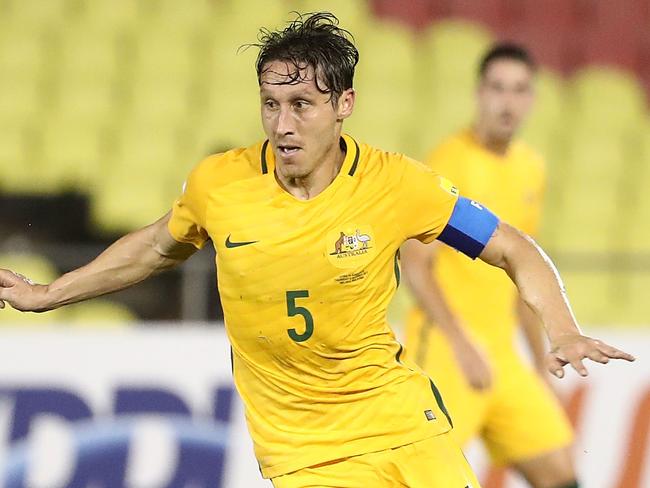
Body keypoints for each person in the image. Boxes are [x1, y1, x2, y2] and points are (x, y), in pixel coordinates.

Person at [0, 14, 634, 488]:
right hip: (307, 454)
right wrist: (49, 293)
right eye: (271, 105)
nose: (282, 125)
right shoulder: (221, 185)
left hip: (404, 425)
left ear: (343, 106)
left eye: (301, 105)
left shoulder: (399, 184)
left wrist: (564, 328)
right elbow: (153, 249)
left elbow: (511, 248)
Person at [402, 43, 582, 488]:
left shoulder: (530, 168)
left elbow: (523, 269)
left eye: (520, 90)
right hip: (446, 350)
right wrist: (461, 344)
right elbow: (415, 263)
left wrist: (540, 364)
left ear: (532, 100)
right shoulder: (448, 162)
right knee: (426, 480)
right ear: (479, 93)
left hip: (502, 355)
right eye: (498, 88)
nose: (508, 101)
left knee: (560, 474)